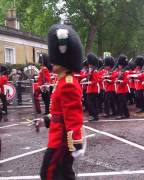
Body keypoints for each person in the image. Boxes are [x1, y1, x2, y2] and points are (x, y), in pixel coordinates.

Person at [40, 23, 84, 180]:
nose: (51, 62)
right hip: (59, 136)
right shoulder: (63, 81)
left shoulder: (68, 83)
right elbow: (60, 112)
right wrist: (45, 119)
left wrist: (76, 142)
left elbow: (73, 116)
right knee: (64, 173)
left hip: (61, 140)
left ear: (64, 60)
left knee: (49, 174)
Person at [114, 55, 130, 119]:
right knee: (122, 102)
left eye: (120, 65)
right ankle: (126, 114)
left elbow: (126, 81)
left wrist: (120, 81)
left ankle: (121, 114)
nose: (119, 66)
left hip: (124, 89)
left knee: (122, 103)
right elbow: (115, 76)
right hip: (119, 89)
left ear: (122, 65)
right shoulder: (120, 72)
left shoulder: (125, 72)